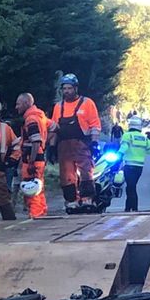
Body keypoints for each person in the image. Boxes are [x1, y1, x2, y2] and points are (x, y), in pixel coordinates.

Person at [50, 73, 101, 209]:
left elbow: (95, 125)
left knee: (86, 172)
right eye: (64, 89)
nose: (67, 91)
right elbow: (54, 128)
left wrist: (94, 143)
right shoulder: (58, 107)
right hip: (63, 146)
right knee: (66, 175)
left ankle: (87, 199)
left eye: (69, 88)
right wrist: (51, 147)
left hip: (82, 144)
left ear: (76, 88)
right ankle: (71, 201)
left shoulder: (87, 103)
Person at [17, 93, 50, 218]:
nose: (16, 107)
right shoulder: (40, 116)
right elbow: (54, 127)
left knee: (31, 188)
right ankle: (41, 211)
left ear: (26, 103)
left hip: (33, 159)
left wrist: (31, 161)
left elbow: (35, 141)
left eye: (18, 104)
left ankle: (35, 214)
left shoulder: (31, 119)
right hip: (39, 157)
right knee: (38, 186)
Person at [117, 116, 150, 212]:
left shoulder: (127, 135)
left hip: (129, 165)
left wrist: (118, 155)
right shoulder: (144, 138)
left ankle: (131, 208)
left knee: (130, 187)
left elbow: (124, 147)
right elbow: (149, 151)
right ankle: (130, 207)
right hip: (139, 167)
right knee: (132, 186)